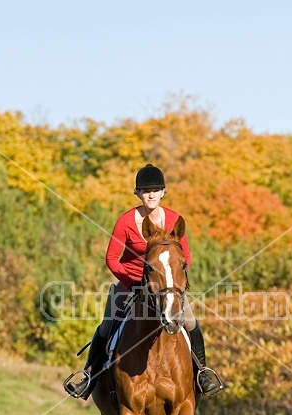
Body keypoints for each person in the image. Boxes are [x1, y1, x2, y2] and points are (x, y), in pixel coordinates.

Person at [64, 163, 222, 399]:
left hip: (166, 286)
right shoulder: (126, 221)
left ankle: (202, 374)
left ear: (163, 192)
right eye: (146, 190)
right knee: (107, 327)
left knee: (190, 324)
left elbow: (184, 257)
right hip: (130, 283)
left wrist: (175, 286)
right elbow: (111, 259)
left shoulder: (175, 220)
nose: (151, 194)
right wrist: (132, 282)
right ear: (138, 193)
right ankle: (88, 377)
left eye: (156, 190)